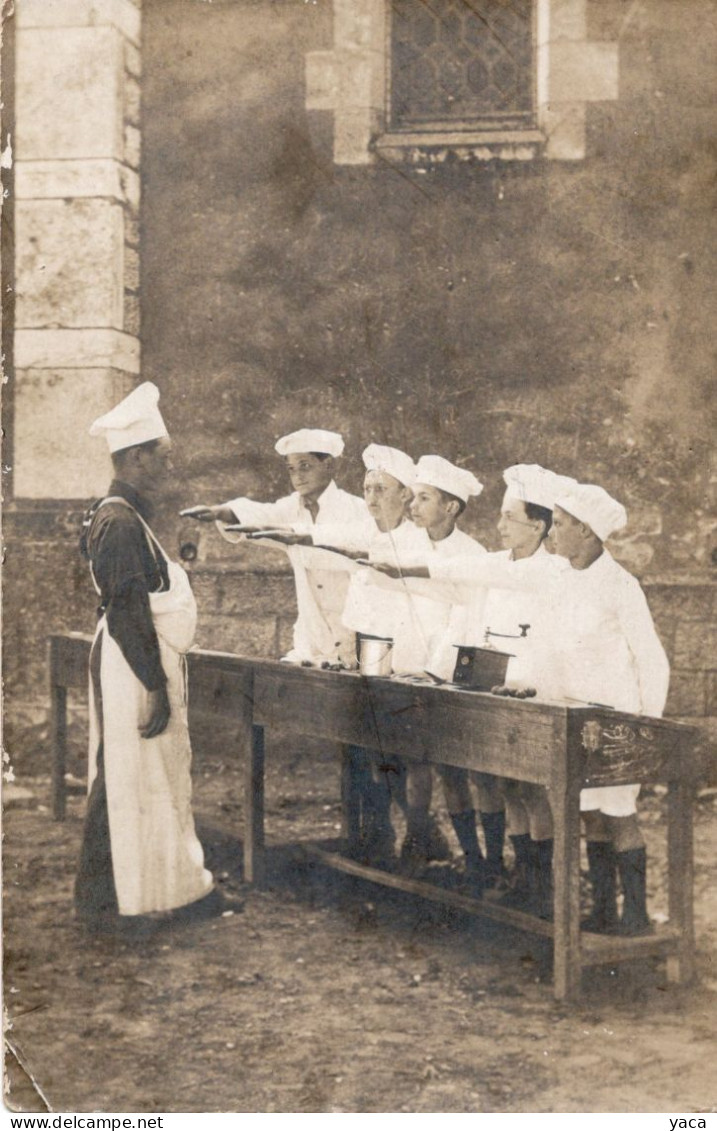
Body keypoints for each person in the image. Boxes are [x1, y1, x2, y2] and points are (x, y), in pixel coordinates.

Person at [75, 382, 227, 936]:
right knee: (128, 777)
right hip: (131, 662)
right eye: (162, 456)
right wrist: (156, 684)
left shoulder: (124, 516)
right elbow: (126, 609)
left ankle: (162, 891)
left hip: (135, 657)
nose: (169, 465)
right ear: (136, 457)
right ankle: (114, 902)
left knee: (141, 777)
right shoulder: (117, 521)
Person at [549, 482, 670, 934]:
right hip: (577, 720)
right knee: (588, 813)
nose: (553, 533)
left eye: (559, 525)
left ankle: (635, 914)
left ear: (585, 530)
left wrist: (646, 728)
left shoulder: (621, 585)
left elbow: (651, 659)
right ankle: (603, 908)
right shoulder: (563, 579)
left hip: (618, 723)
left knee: (619, 812)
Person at [184, 429, 367, 666]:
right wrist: (223, 512)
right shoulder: (291, 508)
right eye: (291, 469)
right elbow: (263, 514)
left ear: (329, 465)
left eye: (305, 466)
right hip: (311, 637)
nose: (298, 476)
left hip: (354, 634)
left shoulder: (357, 510)